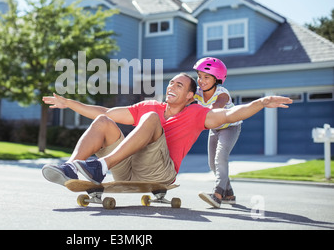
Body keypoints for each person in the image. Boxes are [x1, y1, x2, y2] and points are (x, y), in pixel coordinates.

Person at [41, 73, 292, 191]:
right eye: (171, 82)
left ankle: (99, 167)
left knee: (150, 119)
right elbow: (105, 111)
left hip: (160, 171)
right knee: (105, 120)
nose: (172, 86)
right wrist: (70, 103)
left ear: (190, 95)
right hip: (127, 165)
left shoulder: (197, 113)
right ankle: (72, 168)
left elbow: (229, 115)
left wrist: (260, 103)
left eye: (179, 85)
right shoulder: (150, 105)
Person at [193, 57, 241, 208]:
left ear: (217, 78)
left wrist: (204, 112)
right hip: (215, 128)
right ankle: (230, 195)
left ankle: (217, 195)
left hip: (230, 127)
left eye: (206, 77)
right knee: (212, 163)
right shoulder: (198, 92)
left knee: (221, 158)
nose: (201, 80)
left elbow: (217, 105)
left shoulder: (222, 93)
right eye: (199, 76)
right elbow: (186, 100)